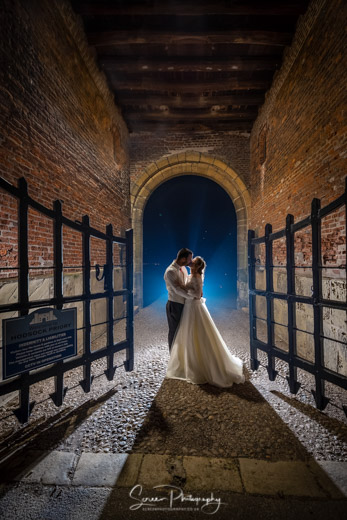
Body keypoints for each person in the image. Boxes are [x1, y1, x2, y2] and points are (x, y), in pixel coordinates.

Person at [166, 256, 245, 388]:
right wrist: (184, 288)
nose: (190, 263)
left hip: (193, 307)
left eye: (193, 262)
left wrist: (184, 290)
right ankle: (188, 361)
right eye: (191, 261)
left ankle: (198, 364)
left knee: (196, 333)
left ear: (197, 266)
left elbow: (197, 294)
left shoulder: (196, 277)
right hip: (190, 306)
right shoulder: (191, 274)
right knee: (189, 333)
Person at [164, 248, 193, 351]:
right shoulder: (170, 271)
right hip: (175, 304)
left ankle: (181, 354)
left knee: (183, 330)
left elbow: (185, 282)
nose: (191, 261)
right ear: (183, 258)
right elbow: (177, 290)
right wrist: (192, 297)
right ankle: (173, 355)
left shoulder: (183, 268)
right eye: (190, 259)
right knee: (174, 331)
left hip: (184, 303)